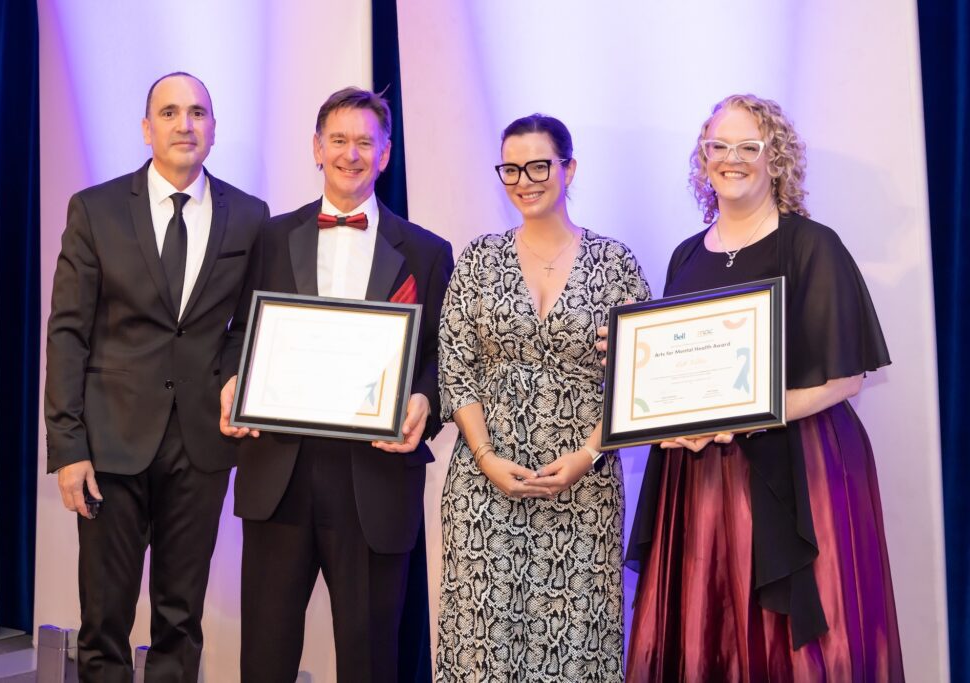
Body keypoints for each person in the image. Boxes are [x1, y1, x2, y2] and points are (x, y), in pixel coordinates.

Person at [618, 94, 904, 681]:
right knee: (709, 632)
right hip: (699, 477)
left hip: (801, 470)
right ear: (703, 160)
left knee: (797, 648)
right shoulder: (686, 255)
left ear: (776, 159)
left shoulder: (811, 245)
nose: (732, 159)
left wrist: (755, 416)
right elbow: (679, 371)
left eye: (749, 146)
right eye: (718, 146)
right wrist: (637, 377)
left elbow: (848, 376)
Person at [218, 86, 454, 682]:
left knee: (371, 661)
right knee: (265, 658)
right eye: (340, 140)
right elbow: (238, 333)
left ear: (386, 154)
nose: (351, 154)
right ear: (317, 148)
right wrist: (232, 381)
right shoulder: (270, 237)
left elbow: (441, 358)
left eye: (365, 143)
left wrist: (424, 398)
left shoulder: (427, 251)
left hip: (375, 480)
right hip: (280, 473)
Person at [44, 72, 269, 680]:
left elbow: (249, 325)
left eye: (198, 112)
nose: (185, 124)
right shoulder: (95, 209)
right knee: (104, 619)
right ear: (147, 128)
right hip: (109, 443)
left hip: (201, 443)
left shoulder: (249, 217)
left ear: (214, 129)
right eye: (169, 113)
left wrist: (233, 378)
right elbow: (68, 331)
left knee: (180, 616)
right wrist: (68, 446)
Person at [435, 114, 651, 682]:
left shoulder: (615, 263)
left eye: (538, 165)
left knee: (577, 646)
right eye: (511, 168)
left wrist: (585, 457)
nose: (524, 179)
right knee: (483, 644)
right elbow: (456, 367)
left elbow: (642, 379)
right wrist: (485, 457)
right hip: (484, 484)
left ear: (568, 168)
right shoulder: (477, 260)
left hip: (584, 485)